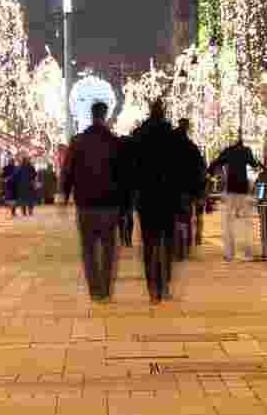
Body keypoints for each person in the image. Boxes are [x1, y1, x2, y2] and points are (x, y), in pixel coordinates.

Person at [62, 101, 125, 303]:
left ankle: (95, 291)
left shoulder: (78, 141)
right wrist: (125, 203)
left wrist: (64, 194)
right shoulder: (115, 142)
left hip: (86, 205)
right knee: (108, 249)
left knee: (88, 250)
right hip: (109, 204)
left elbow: (68, 171)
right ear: (105, 115)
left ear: (91, 115)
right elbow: (124, 175)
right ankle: (105, 290)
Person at [131, 99, 184, 303]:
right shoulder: (172, 137)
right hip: (168, 198)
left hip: (146, 198)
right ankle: (165, 285)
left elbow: (131, 167)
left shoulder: (139, 135)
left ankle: (152, 288)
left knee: (149, 244)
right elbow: (181, 168)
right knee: (166, 244)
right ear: (163, 113)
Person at [208, 133, 261, 262]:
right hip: (243, 189)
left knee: (228, 223)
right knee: (246, 223)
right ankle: (248, 253)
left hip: (231, 189)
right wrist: (259, 165)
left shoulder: (228, 151)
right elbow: (254, 164)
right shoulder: (246, 151)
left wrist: (209, 173)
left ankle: (229, 254)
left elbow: (216, 162)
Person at [175, 119, 206, 261]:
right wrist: (199, 191)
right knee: (186, 218)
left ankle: (176, 247)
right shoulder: (191, 147)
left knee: (174, 218)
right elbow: (200, 169)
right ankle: (185, 248)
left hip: (172, 189)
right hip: (187, 190)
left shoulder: (169, 145)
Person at [117, 134, 137, 247]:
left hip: (120, 189)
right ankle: (128, 239)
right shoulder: (133, 158)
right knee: (129, 215)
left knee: (120, 215)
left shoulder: (117, 157)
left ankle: (121, 237)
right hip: (131, 190)